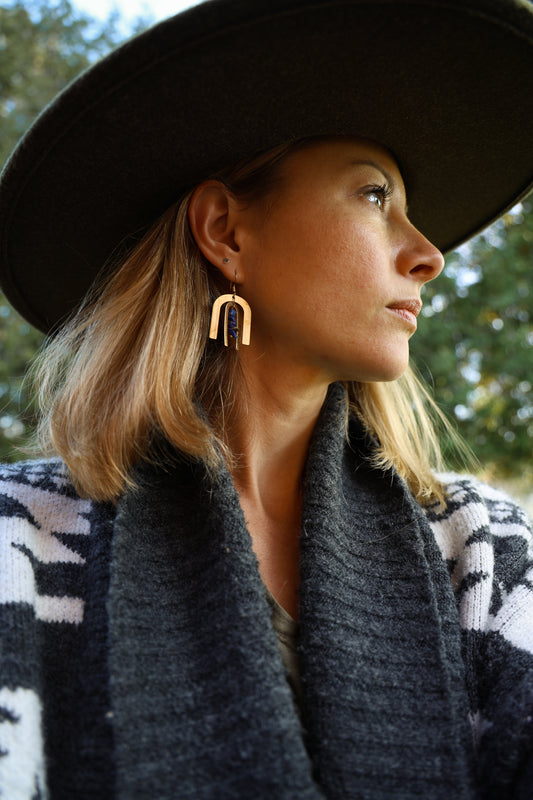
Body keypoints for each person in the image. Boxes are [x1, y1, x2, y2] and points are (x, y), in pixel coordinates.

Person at [0, 0, 532, 797]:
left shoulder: (484, 550)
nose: (427, 256)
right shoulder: (21, 542)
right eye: (373, 196)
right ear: (225, 232)